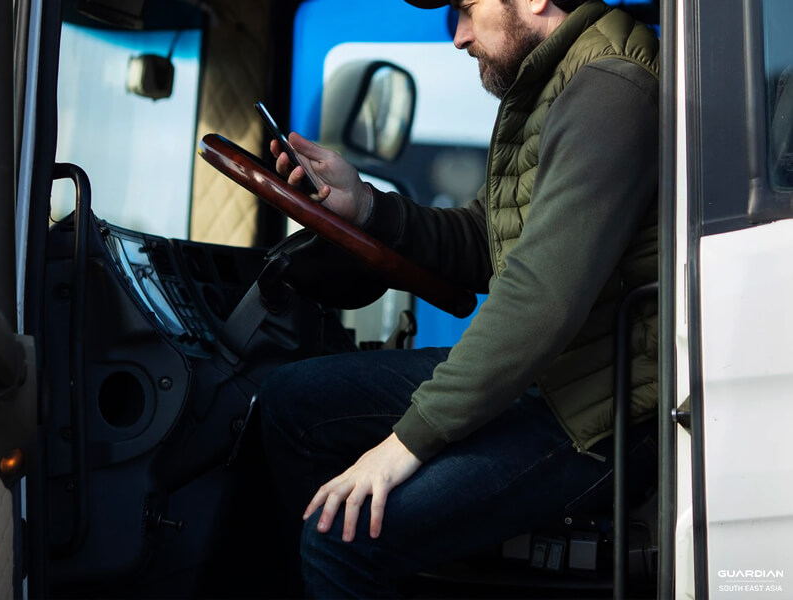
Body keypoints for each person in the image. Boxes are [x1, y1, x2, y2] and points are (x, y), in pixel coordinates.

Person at [257, 0, 662, 597]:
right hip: (559, 376)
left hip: (599, 413)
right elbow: (487, 240)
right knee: (289, 404)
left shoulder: (610, 85)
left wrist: (404, 445)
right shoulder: (556, 77)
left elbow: (539, 298)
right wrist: (365, 205)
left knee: (340, 543)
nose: (458, 36)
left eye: (467, 8)